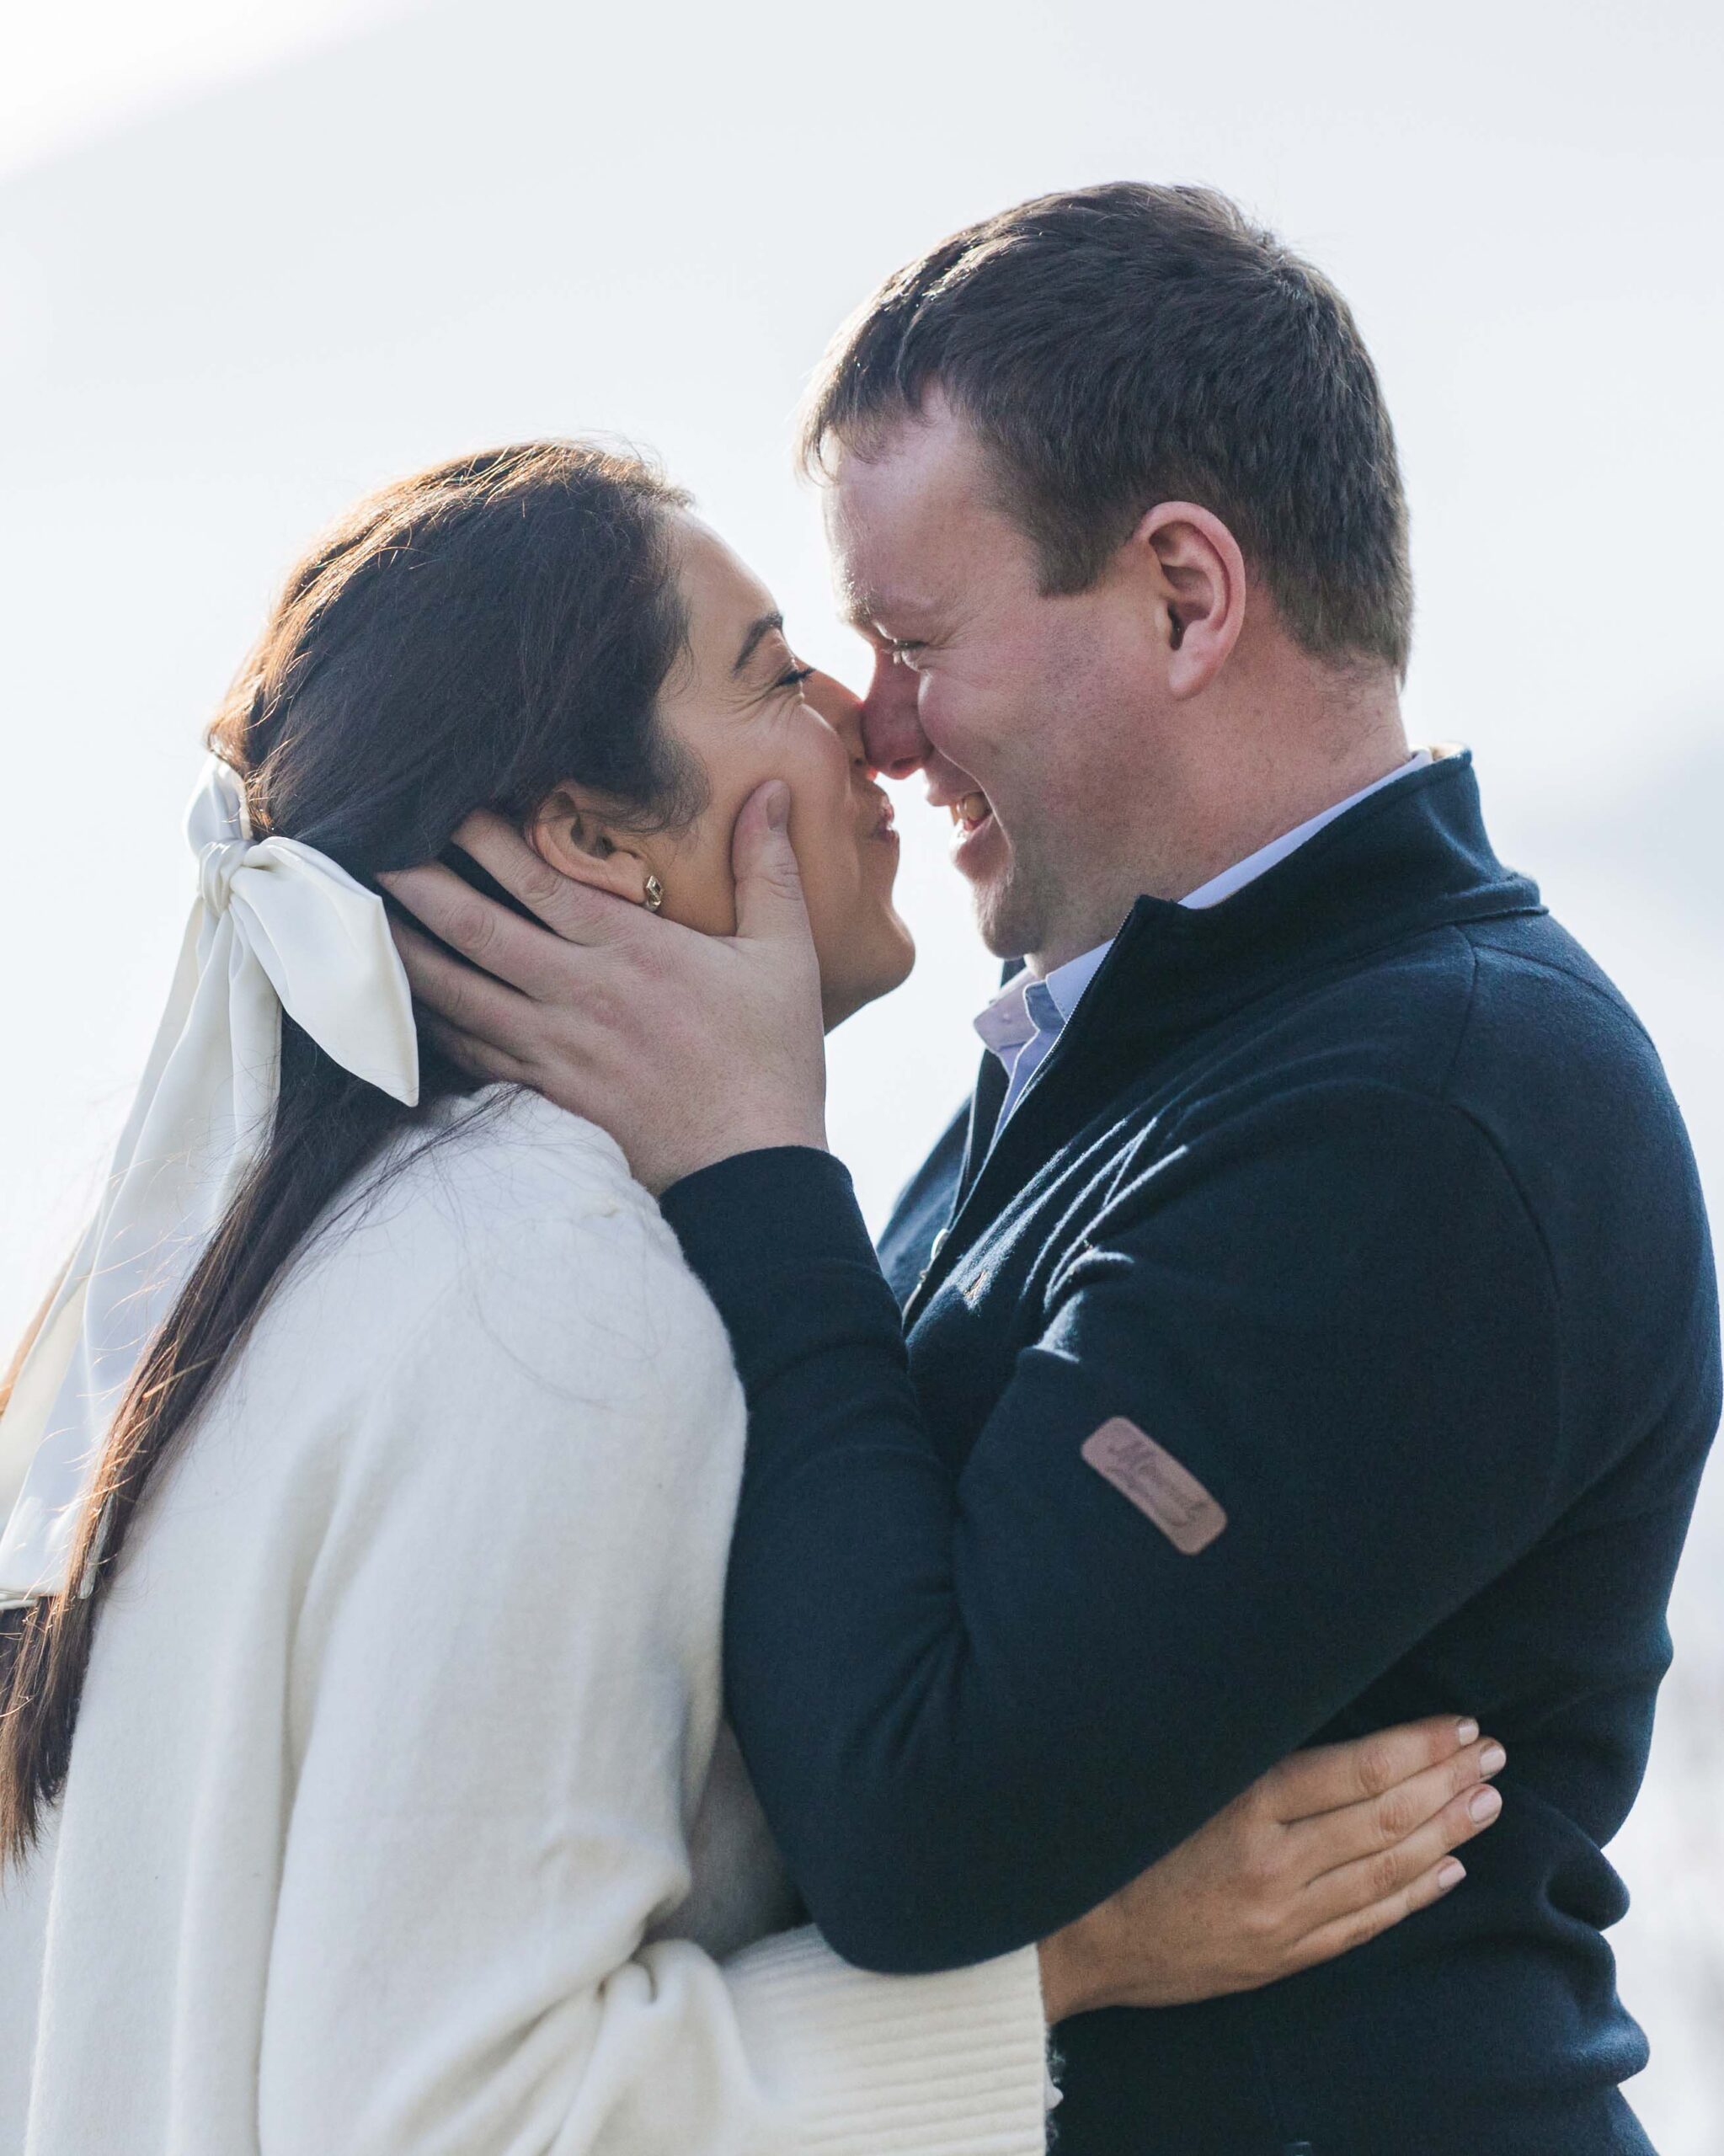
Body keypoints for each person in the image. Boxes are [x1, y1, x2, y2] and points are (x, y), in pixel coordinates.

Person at [387, 188, 1723, 2153]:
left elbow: (918, 1814)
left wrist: (755, 1166)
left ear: (1187, 594)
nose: (881, 723)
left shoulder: (1435, 1108)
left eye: (915, 639)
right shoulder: (1139, 1043)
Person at [0, 442, 1499, 2156]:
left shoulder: (263, 1291)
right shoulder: (553, 1312)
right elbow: (463, 2118)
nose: (872, 722)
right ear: (591, 840)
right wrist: (1065, 1957)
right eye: (773, 671)